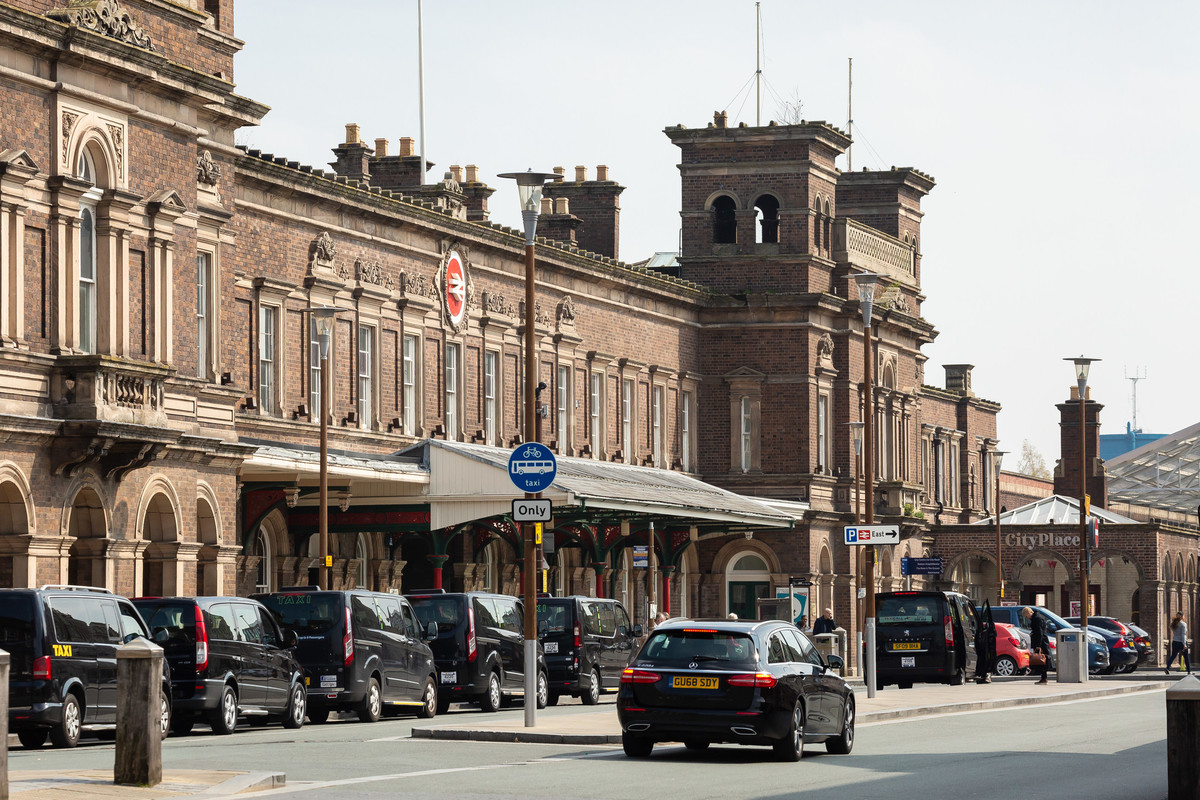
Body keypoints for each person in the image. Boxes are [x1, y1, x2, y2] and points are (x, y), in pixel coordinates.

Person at [1025, 606, 1049, 684]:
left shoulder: (1036, 619)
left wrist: (1038, 644)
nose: (1026, 618)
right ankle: (1043, 677)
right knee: (1042, 660)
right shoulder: (1038, 617)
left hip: (1041, 642)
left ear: (1029, 613)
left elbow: (1039, 632)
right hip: (1042, 641)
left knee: (1041, 660)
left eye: (1026, 616)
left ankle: (1044, 678)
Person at [975, 601, 996, 684]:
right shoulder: (985, 630)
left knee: (985, 660)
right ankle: (983, 675)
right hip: (984, 649)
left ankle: (984, 675)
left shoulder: (988, 630)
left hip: (987, 649)